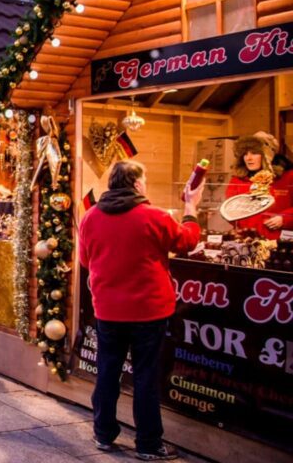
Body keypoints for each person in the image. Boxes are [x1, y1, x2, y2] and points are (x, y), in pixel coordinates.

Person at [79, 160, 202, 461]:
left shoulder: (91, 216)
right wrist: (191, 209)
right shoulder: (154, 216)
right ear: (136, 183)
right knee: (146, 375)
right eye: (144, 179)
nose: (145, 184)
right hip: (149, 311)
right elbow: (187, 241)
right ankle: (148, 444)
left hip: (108, 309)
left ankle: (103, 434)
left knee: (108, 371)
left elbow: (85, 260)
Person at [224, 132, 293, 239]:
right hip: (247, 239)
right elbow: (229, 210)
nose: (248, 158)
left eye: (254, 153)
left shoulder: (288, 176)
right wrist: (243, 227)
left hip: (280, 241)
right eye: (245, 154)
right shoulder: (237, 179)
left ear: (268, 155)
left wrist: (285, 218)